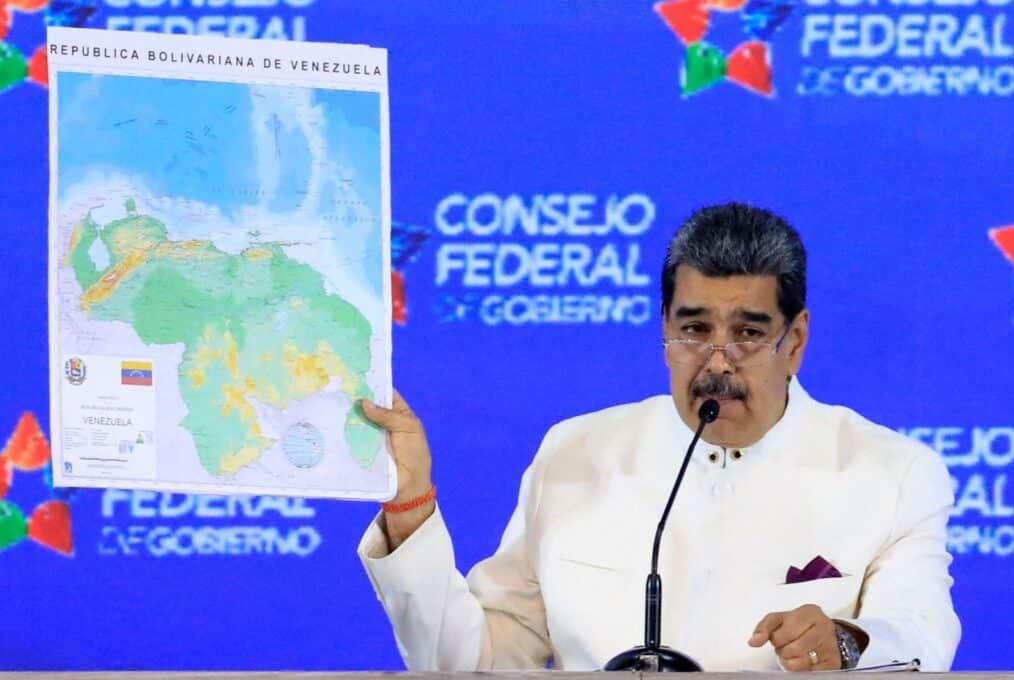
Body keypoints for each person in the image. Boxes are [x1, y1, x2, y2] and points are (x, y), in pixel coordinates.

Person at [357, 203, 960, 671]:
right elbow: (475, 663)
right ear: (664, 329)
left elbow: (921, 631)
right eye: (694, 329)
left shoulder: (891, 472)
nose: (717, 362)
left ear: (795, 341)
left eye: (749, 333)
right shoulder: (574, 455)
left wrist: (846, 643)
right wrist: (410, 507)